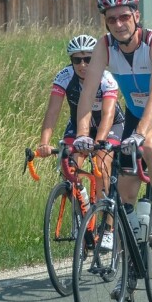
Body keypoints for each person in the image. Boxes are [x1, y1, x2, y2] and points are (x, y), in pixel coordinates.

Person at [75, 0, 152, 244]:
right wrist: (83, 134)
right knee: (125, 192)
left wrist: (140, 133)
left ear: (136, 16)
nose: (118, 24)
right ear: (106, 22)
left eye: (124, 17)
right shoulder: (104, 47)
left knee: (150, 146)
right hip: (135, 115)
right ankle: (134, 249)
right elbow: (87, 93)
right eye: (111, 19)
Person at [36, 35, 124, 209]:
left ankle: (106, 223)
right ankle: (82, 209)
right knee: (69, 167)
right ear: (71, 61)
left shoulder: (107, 78)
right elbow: (52, 112)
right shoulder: (64, 77)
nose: (82, 65)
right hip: (79, 125)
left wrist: (99, 143)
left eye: (88, 59)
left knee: (101, 164)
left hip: (111, 125)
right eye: (77, 60)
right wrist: (44, 143)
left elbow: (108, 114)